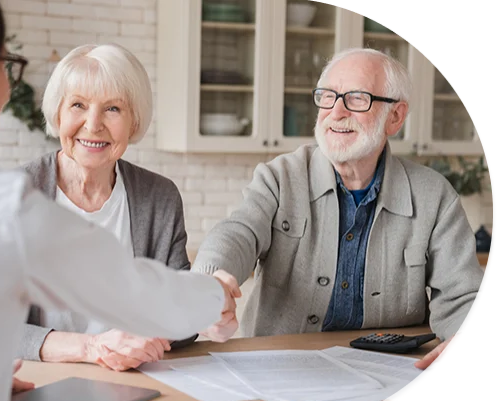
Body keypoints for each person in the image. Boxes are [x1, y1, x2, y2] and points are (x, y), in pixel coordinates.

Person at [0, 1, 241, 401]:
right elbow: (133, 291)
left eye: (113, 109)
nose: (8, 84)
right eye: (3, 62)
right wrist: (215, 296)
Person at [192, 47, 487, 370]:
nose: (336, 112)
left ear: (396, 117)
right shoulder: (280, 177)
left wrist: (464, 334)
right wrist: (208, 283)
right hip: (283, 366)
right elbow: (239, 232)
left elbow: (462, 296)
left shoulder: (434, 195)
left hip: (393, 371)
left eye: (357, 99)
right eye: (328, 97)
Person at [16, 44, 232, 371]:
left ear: (134, 122)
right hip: (41, 379)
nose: (93, 124)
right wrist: (93, 348)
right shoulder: (15, 197)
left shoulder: (159, 197)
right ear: (58, 114)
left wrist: (203, 311)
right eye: (78, 105)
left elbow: (175, 320)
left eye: (113, 109)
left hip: (135, 380)